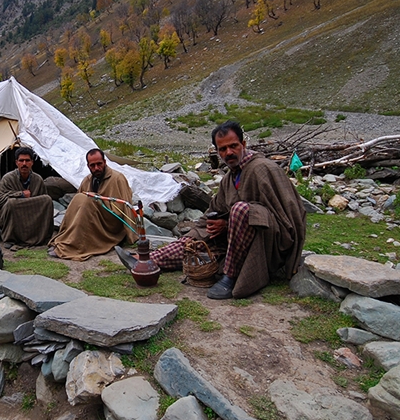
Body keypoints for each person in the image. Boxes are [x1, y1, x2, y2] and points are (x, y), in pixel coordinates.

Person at [117, 121, 306, 300]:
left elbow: (289, 216)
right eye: (222, 149)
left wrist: (233, 221)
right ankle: (144, 261)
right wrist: (196, 234)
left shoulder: (263, 169)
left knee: (241, 210)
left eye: (233, 146)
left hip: (269, 243)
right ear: (217, 152)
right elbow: (213, 211)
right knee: (195, 245)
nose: (229, 152)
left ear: (243, 144)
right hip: (235, 242)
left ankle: (230, 278)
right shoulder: (229, 178)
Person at [49, 148, 136, 261]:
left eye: (99, 164)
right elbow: (78, 204)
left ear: (104, 162)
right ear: (88, 166)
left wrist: (131, 236)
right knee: (79, 198)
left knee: (87, 201)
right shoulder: (87, 180)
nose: (96, 168)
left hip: (111, 223)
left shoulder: (117, 178)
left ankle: (73, 246)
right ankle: (67, 240)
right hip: (91, 218)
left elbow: (125, 207)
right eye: (92, 165)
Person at [0, 146, 54, 246]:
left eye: (27, 161)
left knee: (47, 200)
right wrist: (20, 195)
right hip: (14, 218)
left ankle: (43, 236)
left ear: (32, 162)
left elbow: (42, 205)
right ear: (16, 162)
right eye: (21, 161)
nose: (24, 164)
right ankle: (10, 238)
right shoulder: (8, 178)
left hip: (31, 217)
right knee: (11, 203)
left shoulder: (38, 179)